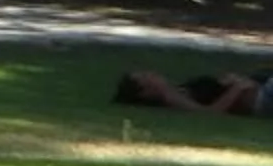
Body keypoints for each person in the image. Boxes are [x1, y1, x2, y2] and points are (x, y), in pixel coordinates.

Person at [114, 67, 273, 116]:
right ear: (145, 92)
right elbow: (210, 112)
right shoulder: (171, 97)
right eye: (144, 77)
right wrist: (237, 87)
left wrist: (228, 81)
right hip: (262, 98)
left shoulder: (180, 89)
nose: (150, 73)